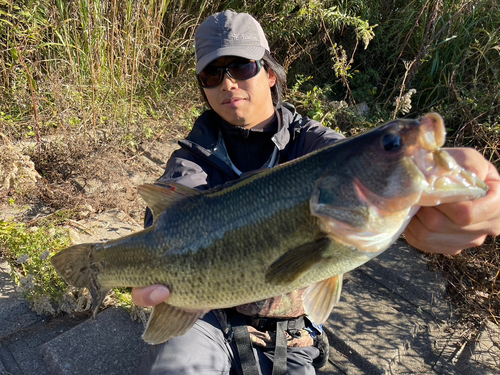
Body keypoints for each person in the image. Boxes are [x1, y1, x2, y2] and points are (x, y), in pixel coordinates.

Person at [134, 10, 500, 375]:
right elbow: (168, 218)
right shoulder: (191, 159)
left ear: (271, 73)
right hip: (205, 315)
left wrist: (452, 191)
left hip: (290, 332)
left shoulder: (316, 144)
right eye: (212, 74)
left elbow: (360, 169)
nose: (228, 83)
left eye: (242, 66)